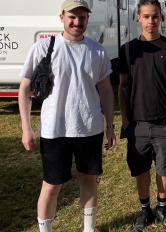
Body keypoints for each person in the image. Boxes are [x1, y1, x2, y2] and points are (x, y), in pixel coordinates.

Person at [18, 0, 116, 231]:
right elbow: (24, 88)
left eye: (82, 17)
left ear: (87, 19)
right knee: (51, 184)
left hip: (89, 127)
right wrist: (26, 128)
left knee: (88, 179)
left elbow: (106, 90)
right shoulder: (43, 47)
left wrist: (110, 125)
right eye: (72, 16)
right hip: (54, 129)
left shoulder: (97, 50)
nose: (77, 22)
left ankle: (89, 228)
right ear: (61, 17)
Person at [117, 0, 166, 230]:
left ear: (162, 18)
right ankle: (145, 209)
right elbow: (123, 87)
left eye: (155, 16)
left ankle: (162, 207)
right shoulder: (127, 49)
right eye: (146, 16)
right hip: (137, 124)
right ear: (138, 18)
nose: (150, 21)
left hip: (164, 123)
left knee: (164, 168)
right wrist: (126, 120)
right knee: (141, 169)